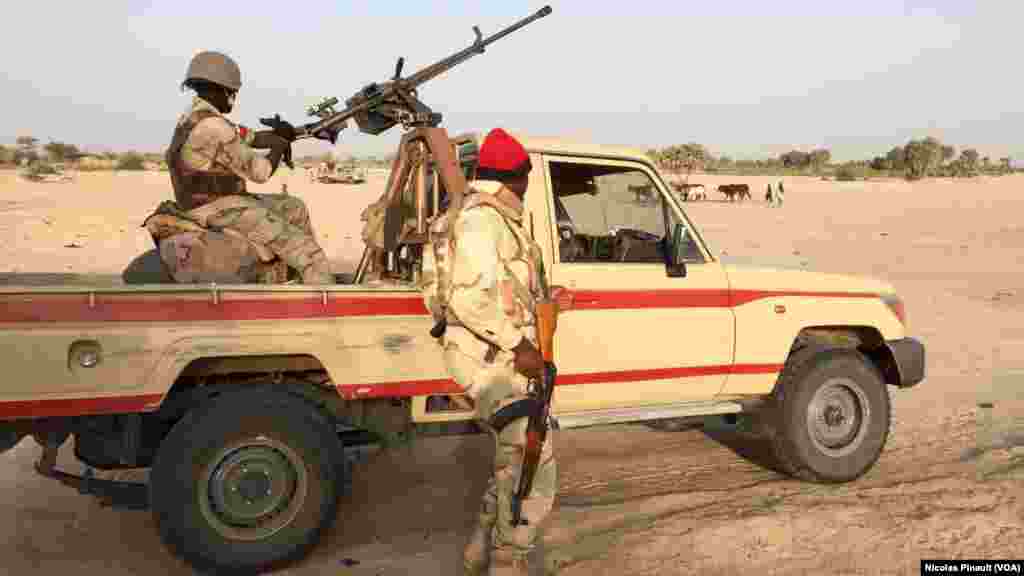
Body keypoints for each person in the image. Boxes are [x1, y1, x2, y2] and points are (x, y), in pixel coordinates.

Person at [432, 128, 557, 575]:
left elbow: (494, 286)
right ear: (516, 179)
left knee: (513, 453)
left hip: (486, 350)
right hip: (489, 356)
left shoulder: (470, 214)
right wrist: (519, 344)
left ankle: (480, 547)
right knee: (532, 456)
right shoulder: (483, 220)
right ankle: (509, 561)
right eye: (525, 181)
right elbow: (468, 298)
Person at [163, 50, 332, 284]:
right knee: (308, 252)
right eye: (232, 93)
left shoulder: (196, 117)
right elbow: (261, 172)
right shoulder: (213, 127)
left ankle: (289, 278)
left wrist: (291, 132)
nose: (233, 99)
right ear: (220, 89)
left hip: (215, 201)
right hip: (218, 208)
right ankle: (322, 298)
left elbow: (252, 137)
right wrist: (280, 146)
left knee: (294, 207)